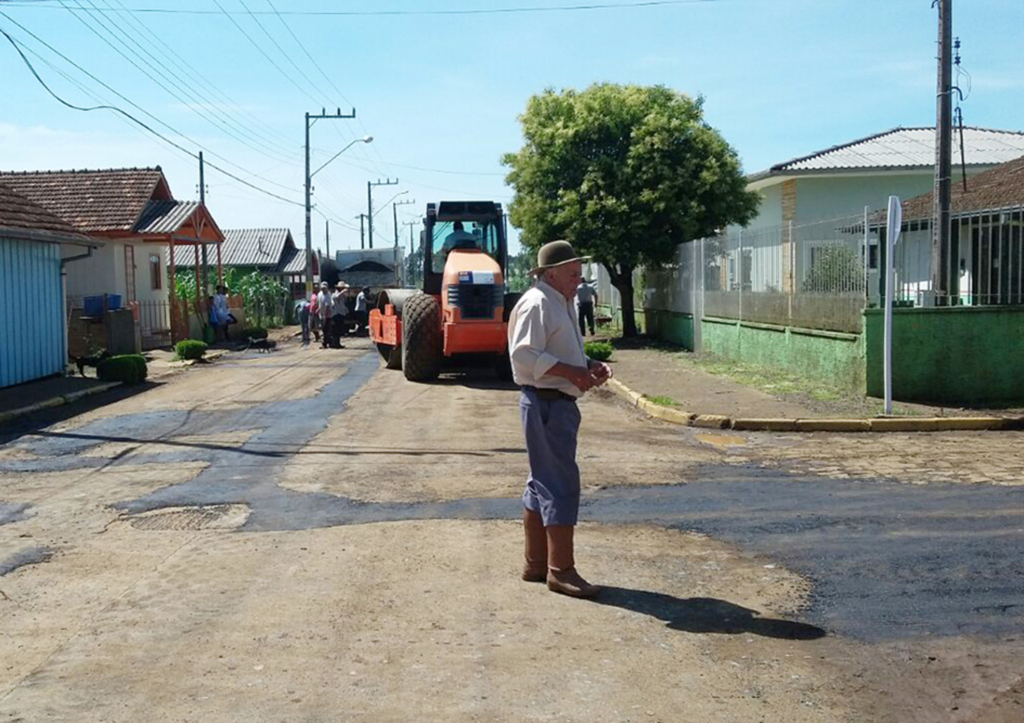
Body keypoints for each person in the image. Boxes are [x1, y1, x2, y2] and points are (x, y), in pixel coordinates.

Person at [507, 239, 613, 599]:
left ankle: (537, 563)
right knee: (560, 484)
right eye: (572, 273)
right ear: (550, 273)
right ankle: (561, 570)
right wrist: (571, 372)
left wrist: (585, 368)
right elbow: (523, 356)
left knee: (542, 482)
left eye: (579, 273)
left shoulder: (558, 301)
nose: (578, 280)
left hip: (552, 401)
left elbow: (552, 352)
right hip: (547, 403)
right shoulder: (539, 303)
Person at [329, 281, 349, 348]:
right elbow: (336, 297)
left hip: (341, 314)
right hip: (336, 314)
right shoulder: (334, 295)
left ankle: (338, 343)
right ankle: (335, 344)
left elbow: (342, 304)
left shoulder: (342, 296)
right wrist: (343, 292)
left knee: (340, 330)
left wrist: (345, 309)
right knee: (335, 330)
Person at [316, 281, 333, 349]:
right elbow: (319, 303)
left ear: (327, 288)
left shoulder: (328, 295)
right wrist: (318, 310)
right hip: (321, 314)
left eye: (324, 288)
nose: (323, 289)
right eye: (322, 288)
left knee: (325, 329)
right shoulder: (320, 294)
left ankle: (325, 343)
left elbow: (327, 306)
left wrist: (325, 316)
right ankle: (328, 342)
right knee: (324, 329)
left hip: (327, 315)